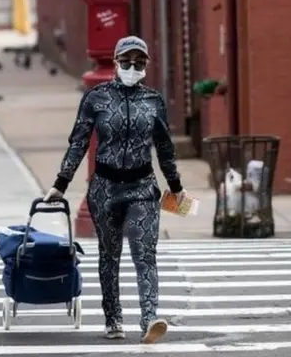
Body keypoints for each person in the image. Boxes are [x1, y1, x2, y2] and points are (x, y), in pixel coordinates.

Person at [43, 36, 187, 343]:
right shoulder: (96, 98)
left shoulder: (154, 101)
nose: (132, 67)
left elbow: (164, 147)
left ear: (146, 64)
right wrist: (60, 184)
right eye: (126, 61)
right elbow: (79, 142)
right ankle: (113, 317)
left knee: (145, 254)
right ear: (116, 62)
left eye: (139, 62)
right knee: (110, 254)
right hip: (105, 189)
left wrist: (176, 187)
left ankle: (149, 320)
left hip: (143, 187)